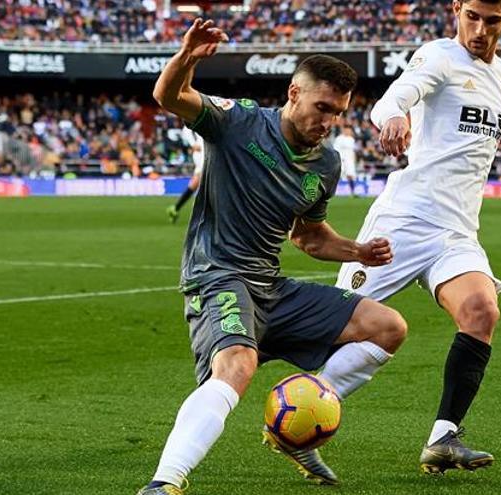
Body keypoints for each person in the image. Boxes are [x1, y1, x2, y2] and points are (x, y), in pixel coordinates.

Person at [138, 19, 408, 495]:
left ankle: (297, 418)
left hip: (270, 286)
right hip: (218, 275)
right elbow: (169, 97)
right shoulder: (239, 121)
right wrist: (186, 59)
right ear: (293, 94)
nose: (327, 122)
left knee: (388, 328)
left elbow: (308, 237)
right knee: (237, 365)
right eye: (321, 107)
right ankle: (165, 482)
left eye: (338, 113)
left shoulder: (326, 163)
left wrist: (357, 250)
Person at [334, 0, 501, 475]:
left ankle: (443, 437)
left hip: (456, 233)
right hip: (403, 222)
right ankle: (304, 405)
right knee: (335, 333)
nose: (480, 30)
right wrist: (395, 116)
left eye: (492, 21)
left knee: (481, 311)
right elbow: (392, 99)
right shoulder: (439, 56)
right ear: (456, 10)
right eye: (472, 17)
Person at [166, 125, 204, 223]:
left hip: (205, 152)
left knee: (197, 182)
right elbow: (186, 130)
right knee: (204, 181)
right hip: (202, 153)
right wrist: (193, 144)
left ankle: (176, 208)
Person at [332, 126, 358, 196]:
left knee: (350, 175)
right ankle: (331, 192)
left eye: (350, 130)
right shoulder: (339, 139)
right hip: (341, 159)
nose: (349, 132)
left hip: (349, 160)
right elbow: (336, 150)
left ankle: (353, 192)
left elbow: (353, 151)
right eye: (347, 130)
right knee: (337, 176)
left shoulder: (351, 139)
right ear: (344, 130)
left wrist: (354, 160)